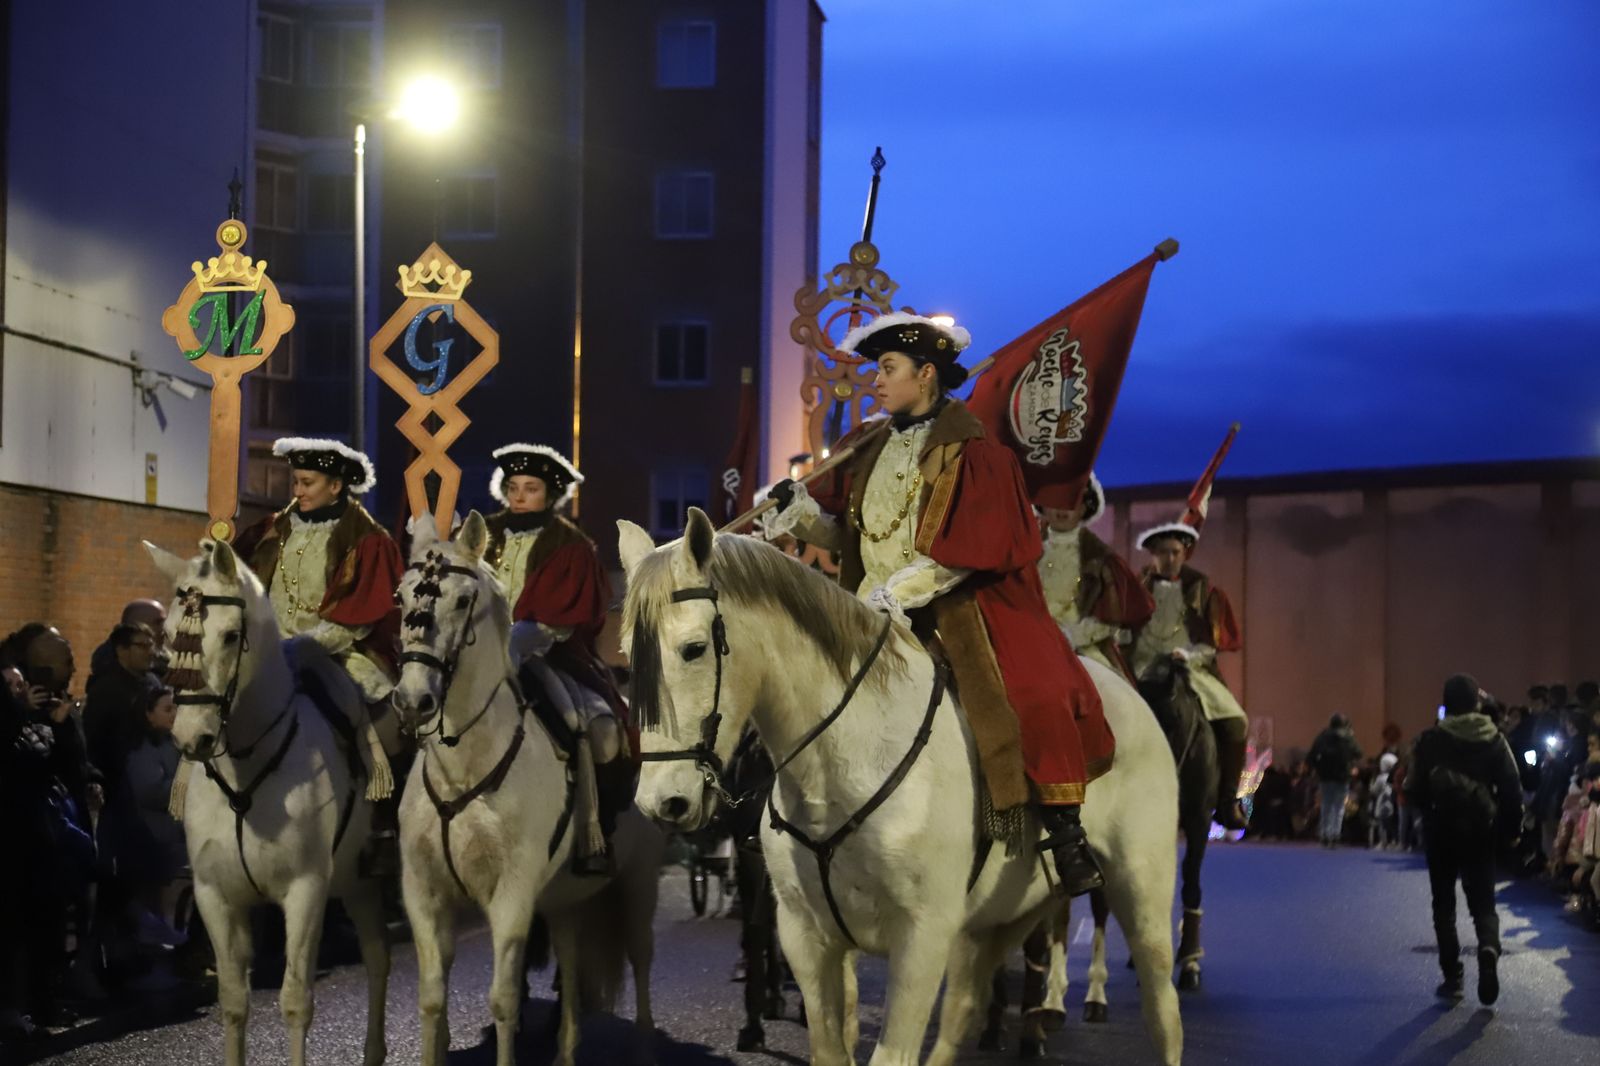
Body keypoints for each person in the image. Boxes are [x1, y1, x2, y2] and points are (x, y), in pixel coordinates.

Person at [766, 312, 1112, 895]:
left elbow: (968, 554)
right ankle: (777, 813)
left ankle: (1063, 830)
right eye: (877, 368)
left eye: (888, 368)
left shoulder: (975, 453)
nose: (876, 380)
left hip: (950, 605)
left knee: (1034, 690)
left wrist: (894, 596)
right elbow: (844, 536)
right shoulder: (865, 445)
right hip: (862, 606)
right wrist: (799, 510)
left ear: (926, 375)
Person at [233, 437, 400, 868]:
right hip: (268, 654)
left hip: (340, 654)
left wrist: (299, 650)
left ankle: (376, 828)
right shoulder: (271, 528)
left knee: (385, 728)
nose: (298, 491)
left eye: (308, 483)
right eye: (296, 482)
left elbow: (357, 618)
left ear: (336, 486)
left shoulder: (368, 540)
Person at [481, 443, 632, 874]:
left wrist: (516, 642)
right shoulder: (480, 536)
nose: (520, 496)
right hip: (473, 656)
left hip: (549, 654)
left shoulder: (573, 546)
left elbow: (562, 621)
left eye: (530, 488)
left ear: (550, 495)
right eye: (513, 487)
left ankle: (596, 828)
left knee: (600, 730)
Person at [1405, 674, 1523, 1005]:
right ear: (1476, 702)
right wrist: (1512, 831)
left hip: (1440, 828)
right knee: (1484, 901)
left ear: (1446, 703)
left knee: (1443, 903)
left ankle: (1452, 976)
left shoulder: (1430, 739)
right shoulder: (1495, 739)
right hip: (1481, 829)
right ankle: (1487, 948)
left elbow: (1413, 788)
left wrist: (1427, 812)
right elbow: (1513, 789)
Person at [1129, 517, 1249, 830]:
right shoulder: (1134, 587)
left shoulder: (1203, 589)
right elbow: (1122, 629)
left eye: (1176, 552)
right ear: (1152, 554)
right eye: (1163, 553)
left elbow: (1212, 643)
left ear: (1185, 553)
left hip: (1190, 669)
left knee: (1237, 722)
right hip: (1140, 668)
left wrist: (1188, 654)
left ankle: (1226, 801)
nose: (1170, 559)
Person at [1036, 474, 1154, 684]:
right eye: (1056, 501)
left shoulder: (1101, 559)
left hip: (1082, 648)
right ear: (1043, 506)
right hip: (1029, 642)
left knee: (1109, 698)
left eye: (1073, 501)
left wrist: (1071, 636)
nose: (1063, 509)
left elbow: (1110, 619)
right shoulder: (1025, 552)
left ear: (1085, 507)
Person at [1308, 714, 1362, 846]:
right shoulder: (1348, 737)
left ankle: (1324, 834)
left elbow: (1312, 755)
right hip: (1342, 777)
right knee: (1338, 807)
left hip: (1325, 776)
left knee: (1326, 805)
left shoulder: (1322, 736)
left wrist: (1318, 768)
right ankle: (1335, 835)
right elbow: (1359, 753)